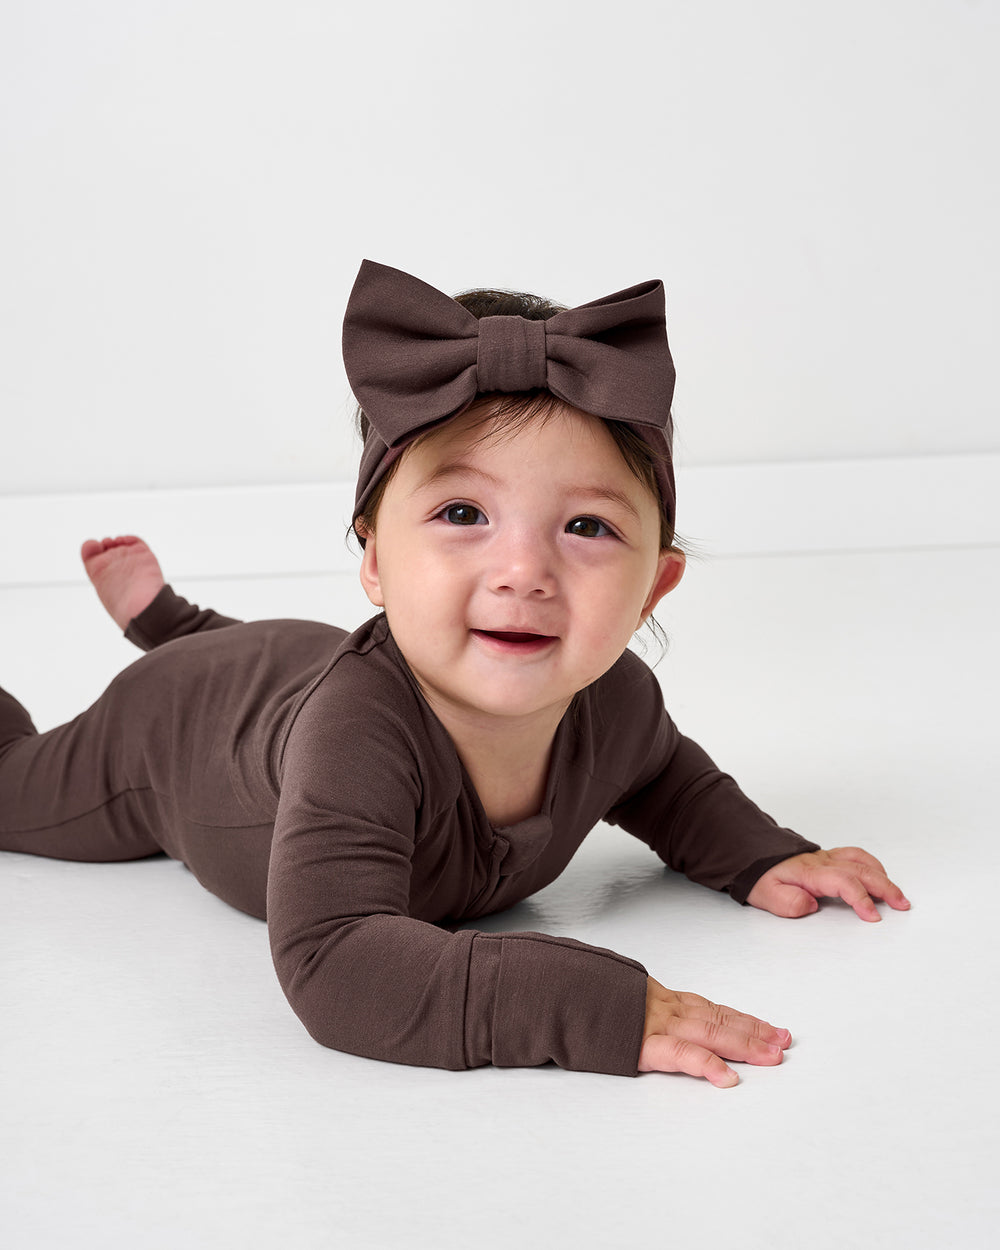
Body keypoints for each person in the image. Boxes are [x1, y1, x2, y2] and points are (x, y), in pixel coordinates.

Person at [0, 260, 909, 1085]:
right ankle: (172, 636)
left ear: (653, 588)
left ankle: (172, 622)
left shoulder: (618, 701)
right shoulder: (361, 735)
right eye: (464, 510)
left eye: (586, 527)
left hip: (292, 659)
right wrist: (592, 1007)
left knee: (290, 664)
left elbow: (670, 782)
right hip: (179, 731)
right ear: (376, 561)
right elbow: (335, 962)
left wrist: (764, 854)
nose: (523, 572)